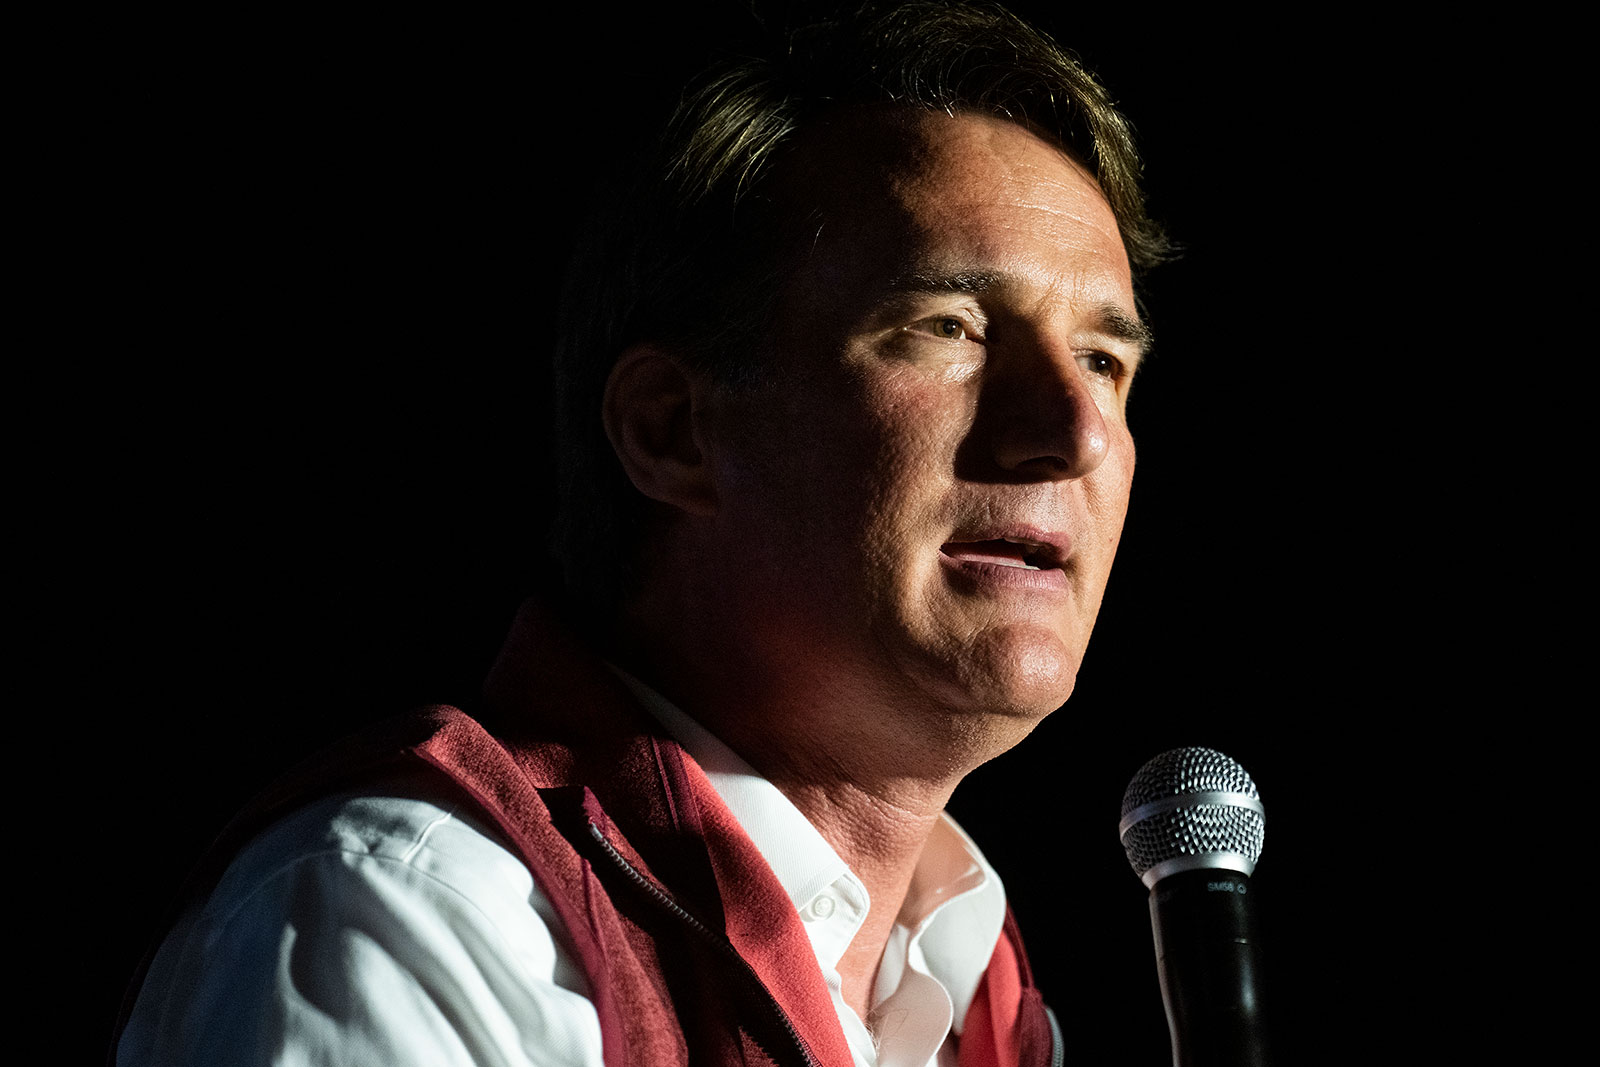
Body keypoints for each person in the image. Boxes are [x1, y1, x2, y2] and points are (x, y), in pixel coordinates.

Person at [115, 3, 1168, 1064]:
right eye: (949, 328)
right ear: (670, 431)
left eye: (1103, 361)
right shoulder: (415, 909)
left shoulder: (977, 991)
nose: (1074, 431)